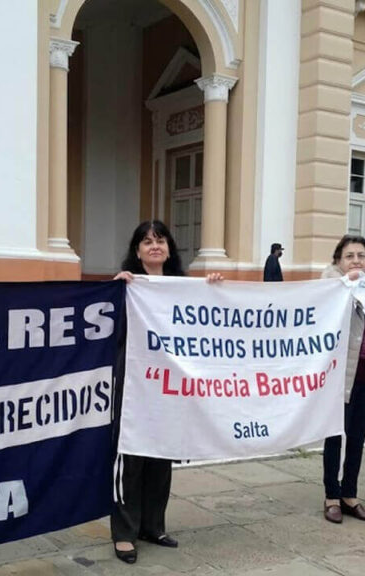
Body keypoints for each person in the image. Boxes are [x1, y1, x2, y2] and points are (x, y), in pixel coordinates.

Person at [110, 220, 222, 564]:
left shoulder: (184, 287)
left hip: (170, 385)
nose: (154, 246)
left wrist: (215, 289)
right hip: (133, 382)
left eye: (160, 240)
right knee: (130, 456)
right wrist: (115, 290)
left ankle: (152, 526)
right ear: (137, 250)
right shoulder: (127, 285)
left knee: (161, 453)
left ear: (169, 248)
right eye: (146, 241)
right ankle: (124, 533)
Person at [320, 235, 365, 524]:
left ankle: (350, 495)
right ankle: (331, 497)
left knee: (358, 438)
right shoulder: (330, 287)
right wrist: (347, 284)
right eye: (350, 256)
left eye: (361, 255)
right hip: (340, 377)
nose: (357, 261)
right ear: (338, 261)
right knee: (335, 436)